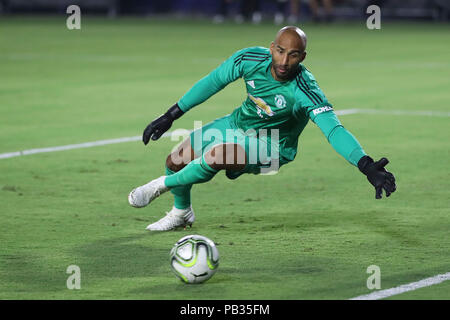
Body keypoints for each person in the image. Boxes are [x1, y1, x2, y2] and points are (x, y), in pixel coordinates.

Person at [128, 26, 397, 231]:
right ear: (271, 48)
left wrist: (365, 164)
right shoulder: (249, 59)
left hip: (273, 147)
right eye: (280, 51)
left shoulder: (305, 90)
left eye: (293, 55)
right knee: (176, 159)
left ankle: (158, 187)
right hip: (237, 124)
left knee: (217, 155)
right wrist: (172, 114)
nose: (283, 61)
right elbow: (213, 82)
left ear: (302, 57)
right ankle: (181, 213)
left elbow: (334, 130)